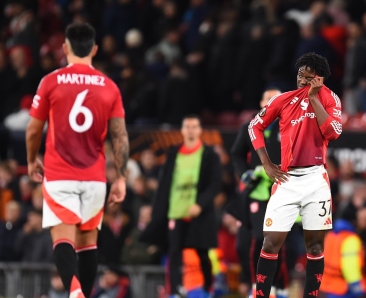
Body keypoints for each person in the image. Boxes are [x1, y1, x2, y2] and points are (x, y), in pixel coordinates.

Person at [26, 23, 129, 298]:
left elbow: (34, 129)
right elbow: (120, 137)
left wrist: (31, 160)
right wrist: (120, 178)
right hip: (95, 177)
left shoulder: (50, 81)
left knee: (62, 239)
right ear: (94, 50)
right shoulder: (109, 87)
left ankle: (74, 292)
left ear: (65, 48)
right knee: (87, 243)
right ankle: (83, 293)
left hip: (60, 174)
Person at [248, 52, 342, 298]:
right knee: (270, 243)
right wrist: (267, 163)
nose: (302, 81)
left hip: (316, 179)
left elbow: (332, 133)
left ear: (319, 79)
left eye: (308, 77)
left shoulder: (331, 99)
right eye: (300, 75)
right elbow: (254, 126)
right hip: (286, 179)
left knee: (315, 246)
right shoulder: (283, 99)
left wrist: (314, 98)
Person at [141, 115, 222, 298]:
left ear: (200, 130)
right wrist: (159, 209)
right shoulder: (173, 152)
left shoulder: (209, 154)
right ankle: (176, 290)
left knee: (202, 252)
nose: (191, 130)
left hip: (199, 213)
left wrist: (200, 204)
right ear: (183, 130)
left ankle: (208, 287)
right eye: (187, 126)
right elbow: (164, 183)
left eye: (194, 126)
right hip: (176, 211)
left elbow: (216, 183)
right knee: (174, 252)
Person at [231, 88, 290, 298]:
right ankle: (258, 285)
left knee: (280, 240)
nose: (273, 102)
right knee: (256, 238)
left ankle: (279, 287)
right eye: (269, 98)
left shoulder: (291, 126)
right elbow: (236, 154)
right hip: (257, 193)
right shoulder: (250, 126)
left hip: (284, 192)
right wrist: (245, 173)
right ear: (261, 102)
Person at [320, 207, 366, 298]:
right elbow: (350, 266)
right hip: (344, 289)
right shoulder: (350, 239)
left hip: (329, 286)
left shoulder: (330, 235)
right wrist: (357, 288)